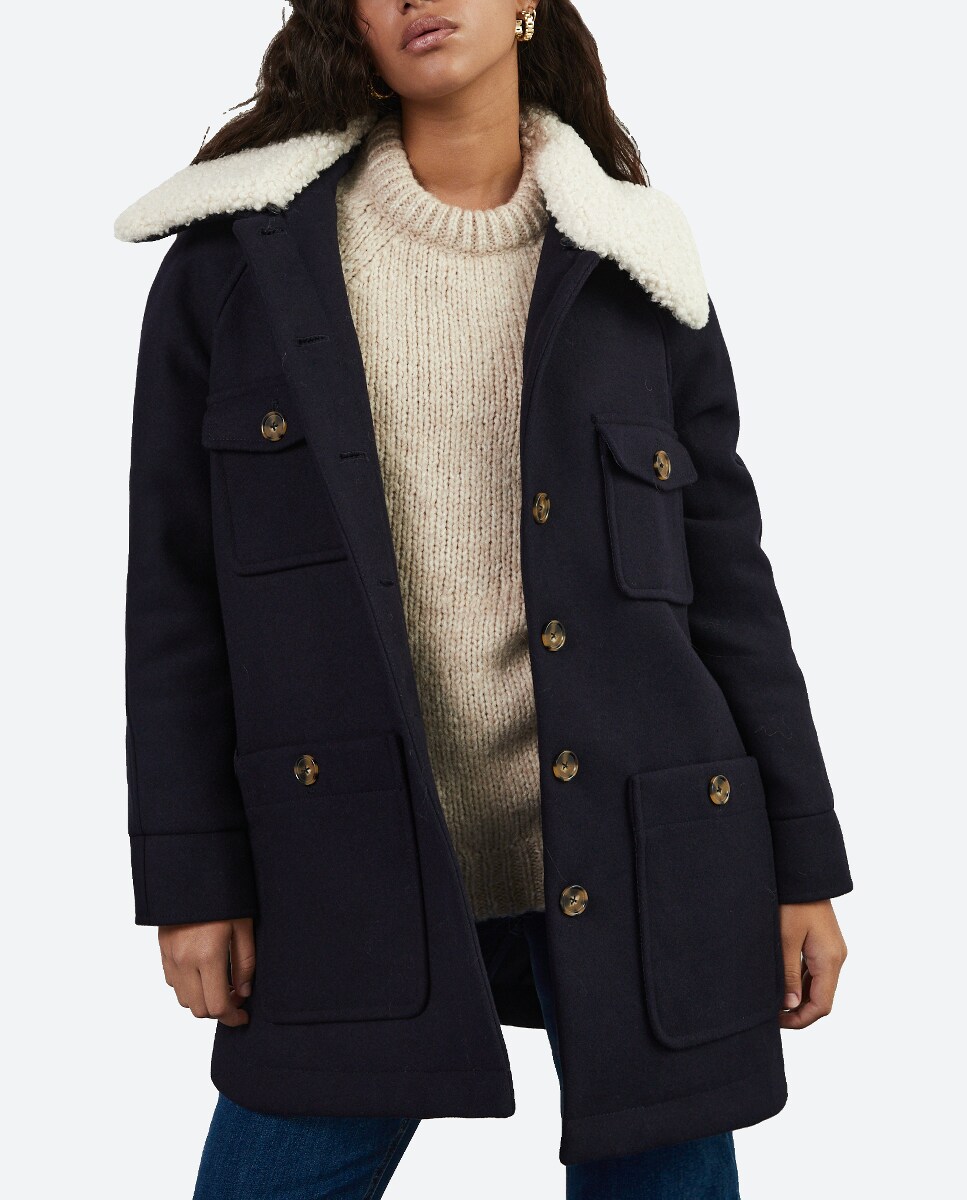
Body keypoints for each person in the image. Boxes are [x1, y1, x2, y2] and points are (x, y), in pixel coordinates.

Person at [114, 3, 853, 1197]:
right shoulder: (237, 266)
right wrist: (193, 880)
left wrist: (800, 862)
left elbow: (729, 587)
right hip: (342, 859)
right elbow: (174, 599)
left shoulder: (634, 259)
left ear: (525, 8)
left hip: (646, 851)